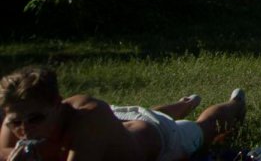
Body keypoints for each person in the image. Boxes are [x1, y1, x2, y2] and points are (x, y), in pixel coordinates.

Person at [0, 68, 246, 161]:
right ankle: (181, 104)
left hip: (158, 136)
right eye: (16, 123)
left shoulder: (87, 120)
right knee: (126, 119)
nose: (25, 130)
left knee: (205, 128)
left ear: (56, 104)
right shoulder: (15, 122)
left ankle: (235, 104)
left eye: (35, 119)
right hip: (118, 122)